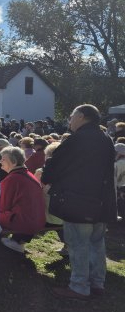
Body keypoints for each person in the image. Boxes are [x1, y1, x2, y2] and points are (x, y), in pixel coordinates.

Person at [42, 104, 117, 300]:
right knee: (96, 243)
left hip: (78, 200)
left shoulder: (77, 139)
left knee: (78, 244)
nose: (69, 120)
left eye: (71, 116)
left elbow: (54, 167)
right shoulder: (105, 138)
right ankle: (97, 283)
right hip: (101, 201)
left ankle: (79, 286)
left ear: (82, 116)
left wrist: (49, 176)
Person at [0, 146, 46, 253]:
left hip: (24, 222)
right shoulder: (28, 174)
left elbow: (3, 206)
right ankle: (17, 241)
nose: (0, 161)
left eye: (3, 159)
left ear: (14, 162)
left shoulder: (13, 178)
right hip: (37, 220)